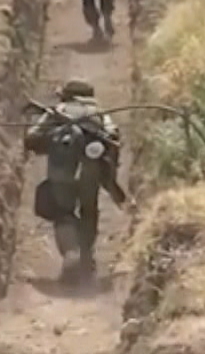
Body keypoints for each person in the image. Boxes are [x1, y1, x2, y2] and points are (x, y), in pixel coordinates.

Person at [24, 80, 129, 277]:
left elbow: (32, 138)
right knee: (89, 211)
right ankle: (86, 254)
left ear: (66, 95)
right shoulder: (99, 114)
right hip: (91, 171)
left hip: (61, 171)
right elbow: (113, 138)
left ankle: (71, 252)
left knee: (63, 212)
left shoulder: (57, 111)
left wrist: (53, 139)